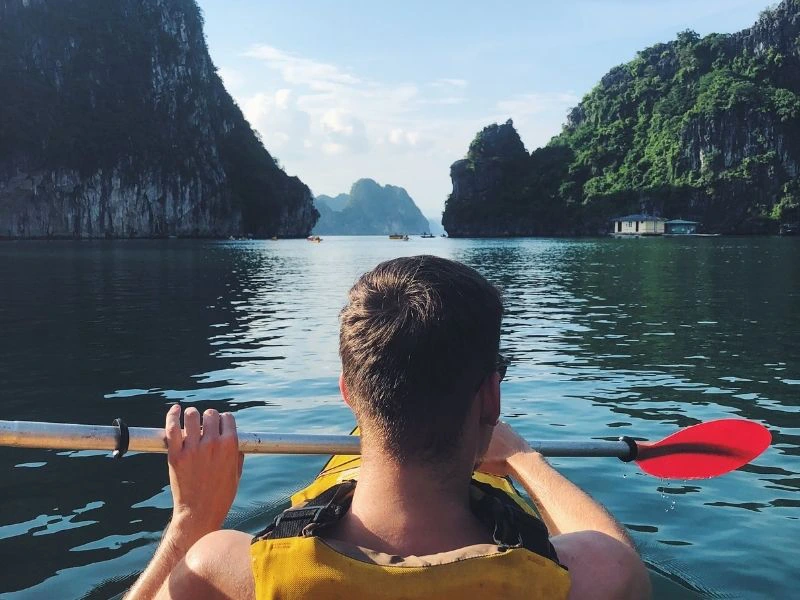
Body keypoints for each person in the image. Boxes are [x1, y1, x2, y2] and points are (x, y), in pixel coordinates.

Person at [126, 255, 651, 599]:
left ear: (349, 393)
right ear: (491, 396)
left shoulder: (224, 570)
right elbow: (622, 558)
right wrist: (523, 459)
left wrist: (192, 519)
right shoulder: (588, 577)